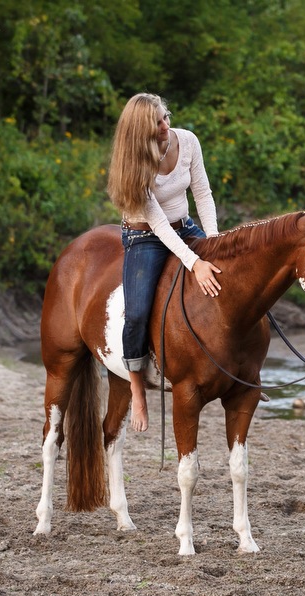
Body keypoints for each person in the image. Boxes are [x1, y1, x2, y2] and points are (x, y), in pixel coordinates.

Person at [106, 92, 222, 432]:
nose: (165, 126)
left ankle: (239, 368)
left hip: (184, 225)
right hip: (145, 236)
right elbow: (157, 224)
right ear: (140, 132)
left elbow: (202, 192)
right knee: (138, 310)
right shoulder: (136, 163)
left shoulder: (187, 141)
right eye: (156, 123)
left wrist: (212, 244)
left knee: (228, 275)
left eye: (165, 117)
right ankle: (137, 387)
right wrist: (193, 261)